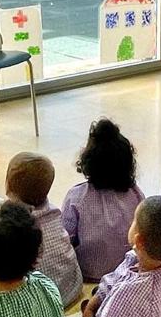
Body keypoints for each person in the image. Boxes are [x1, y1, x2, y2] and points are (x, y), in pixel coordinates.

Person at [61, 118, 145, 282]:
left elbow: (65, 240)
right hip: (126, 272)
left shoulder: (76, 196)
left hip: (88, 273)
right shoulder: (136, 193)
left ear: (87, 162)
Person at [6, 152, 83, 308]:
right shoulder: (54, 214)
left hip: (38, 305)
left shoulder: (8, 224)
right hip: (70, 290)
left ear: (8, 185)